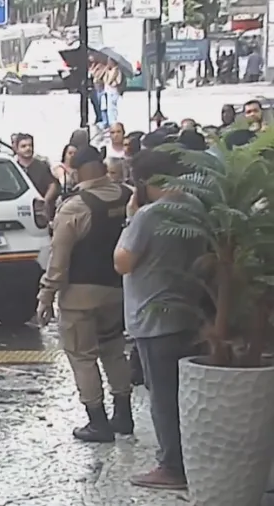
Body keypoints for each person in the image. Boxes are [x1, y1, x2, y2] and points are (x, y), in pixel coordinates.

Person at [114, 148, 205, 490]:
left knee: (163, 396)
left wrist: (129, 218)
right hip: (187, 311)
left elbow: (122, 262)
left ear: (148, 181)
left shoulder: (149, 215)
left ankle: (172, 466)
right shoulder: (194, 206)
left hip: (153, 319)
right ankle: (189, 457)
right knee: (183, 394)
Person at [37, 145, 133, 443]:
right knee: (114, 350)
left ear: (76, 170)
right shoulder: (128, 195)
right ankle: (124, 414)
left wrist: (46, 296)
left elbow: (59, 258)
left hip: (80, 295)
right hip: (119, 290)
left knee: (83, 356)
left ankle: (98, 422)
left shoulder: (76, 206)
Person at [15, 134, 59, 217]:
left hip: (41, 212)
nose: (28, 148)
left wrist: (45, 201)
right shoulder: (14, 167)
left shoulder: (42, 166)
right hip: (20, 209)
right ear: (17, 149)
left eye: (30, 145)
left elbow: (52, 185)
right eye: (23, 146)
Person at [103, 60, 124, 126]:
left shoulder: (116, 70)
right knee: (109, 107)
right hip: (109, 91)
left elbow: (109, 81)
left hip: (113, 91)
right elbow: (105, 80)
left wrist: (108, 74)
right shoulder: (110, 70)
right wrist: (106, 71)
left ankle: (113, 122)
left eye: (109, 62)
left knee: (112, 107)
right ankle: (111, 121)